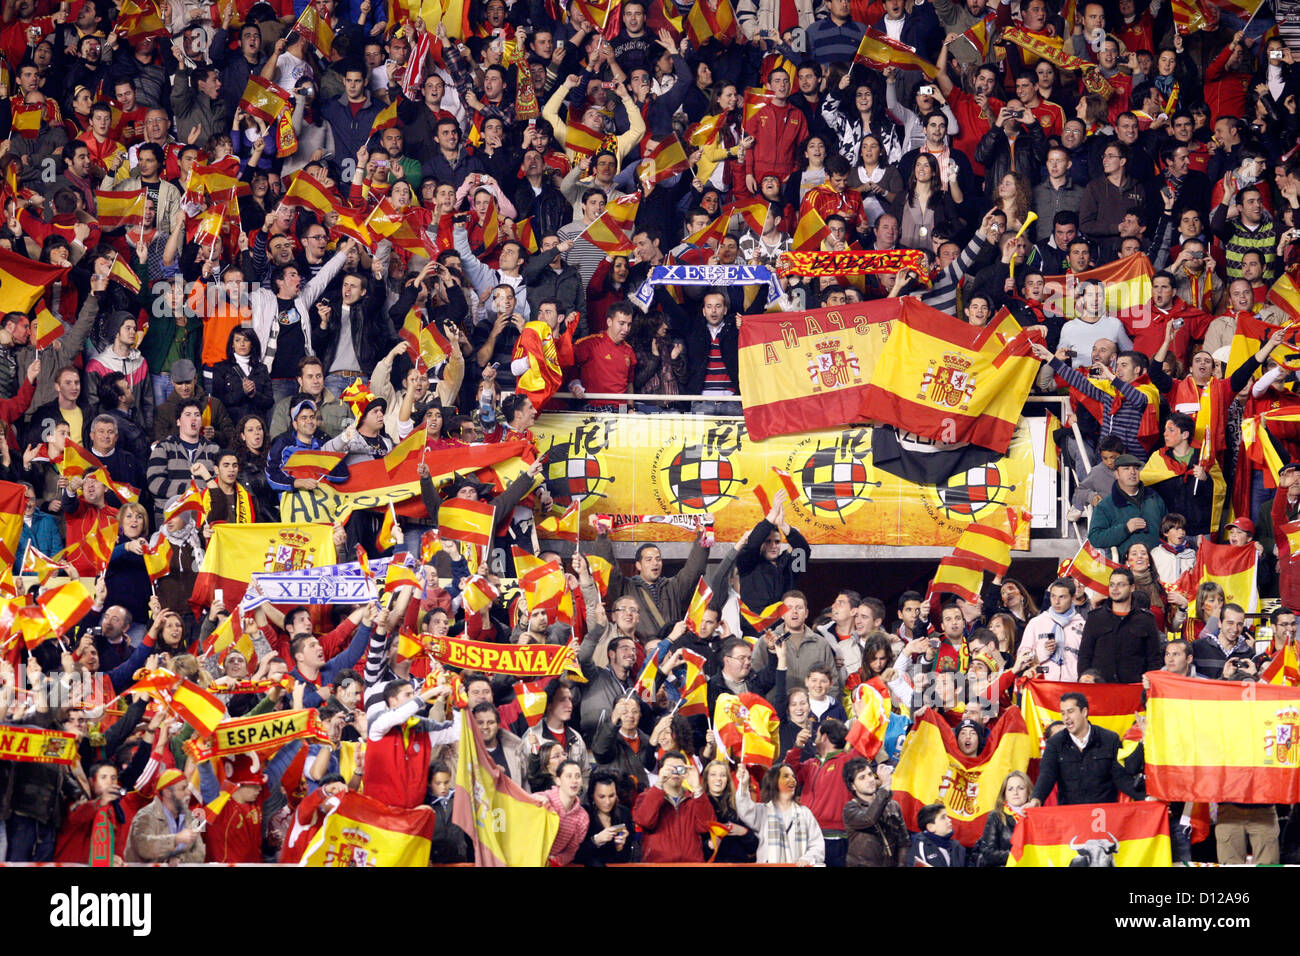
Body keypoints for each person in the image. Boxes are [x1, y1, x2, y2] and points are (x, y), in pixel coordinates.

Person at [1029, 692, 1144, 806]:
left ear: (1084, 712)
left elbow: (1121, 778)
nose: (1066, 718)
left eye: (1070, 711)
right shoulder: (1055, 743)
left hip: (1104, 815)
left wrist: (1146, 798)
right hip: (1070, 816)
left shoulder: (1109, 739)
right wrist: (1036, 799)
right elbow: (1046, 775)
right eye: (1063, 713)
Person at [1078, 568, 1165, 683]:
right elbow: (1085, 655)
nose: (1115, 589)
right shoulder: (1095, 617)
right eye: (1112, 584)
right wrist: (1085, 678)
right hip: (1100, 688)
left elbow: (1154, 658)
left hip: (1134, 690)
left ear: (1132, 588)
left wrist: (1150, 682)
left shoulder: (1146, 619)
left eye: (1121, 585)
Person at [632, 751, 716, 863]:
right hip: (658, 863)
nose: (675, 773)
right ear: (661, 771)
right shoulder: (646, 796)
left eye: (680, 769)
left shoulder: (695, 799)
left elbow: (706, 827)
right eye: (670, 769)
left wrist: (696, 787)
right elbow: (644, 821)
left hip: (691, 863)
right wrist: (659, 785)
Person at [734, 762, 825, 866]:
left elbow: (817, 845)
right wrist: (744, 784)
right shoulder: (763, 811)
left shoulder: (805, 813)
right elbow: (744, 809)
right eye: (786, 776)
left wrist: (807, 859)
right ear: (774, 781)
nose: (793, 780)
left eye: (793, 776)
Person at [841, 756, 908, 867]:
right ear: (853, 786)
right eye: (862, 778)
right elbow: (869, 818)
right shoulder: (850, 809)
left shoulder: (893, 805)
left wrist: (901, 865)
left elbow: (904, 842)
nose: (870, 780)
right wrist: (885, 786)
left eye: (870, 774)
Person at [971, 770, 1032, 867]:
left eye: (1020, 788)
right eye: (1010, 789)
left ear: (1028, 792)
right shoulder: (996, 816)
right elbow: (987, 853)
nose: (1015, 792)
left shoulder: (1036, 817)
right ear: (1005, 795)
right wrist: (1015, 855)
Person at [906, 803, 966, 867]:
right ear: (931, 827)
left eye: (947, 816)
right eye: (943, 817)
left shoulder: (957, 846)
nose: (949, 820)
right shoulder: (920, 847)